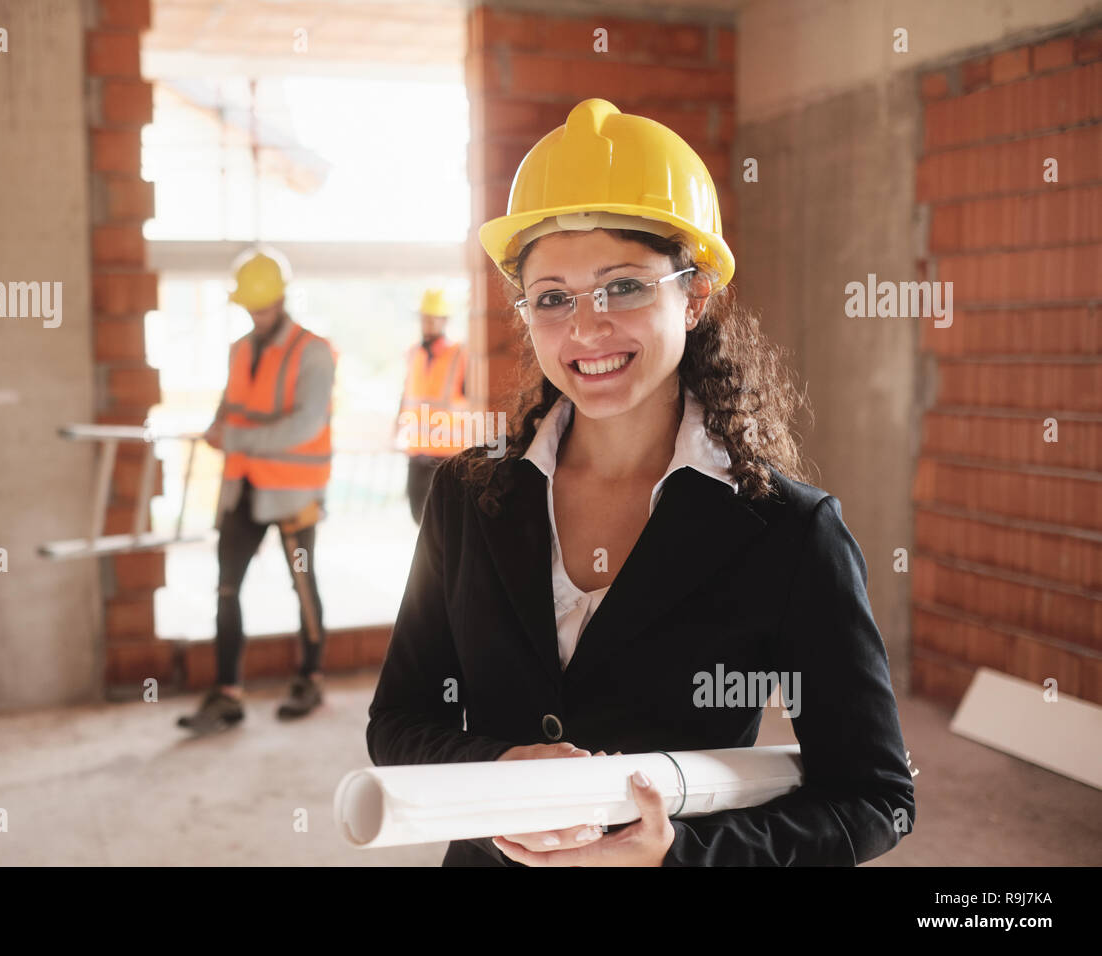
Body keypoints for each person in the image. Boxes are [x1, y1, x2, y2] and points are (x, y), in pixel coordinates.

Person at [366, 99, 915, 866]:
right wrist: (496, 773)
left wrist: (676, 855)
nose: (585, 329)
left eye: (623, 286)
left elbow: (873, 799)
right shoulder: (468, 497)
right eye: (552, 297)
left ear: (693, 295)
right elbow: (398, 719)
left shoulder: (788, 532)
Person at [178, 248, 336, 732]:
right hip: (242, 490)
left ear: (283, 299)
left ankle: (309, 678)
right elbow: (233, 405)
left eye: (262, 305)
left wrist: (238, 436)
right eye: (249, 305)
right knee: (227, 589)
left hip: (293, 495)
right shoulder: (240, 350)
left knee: (302, 586)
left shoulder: (312, 351)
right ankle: (227, 693)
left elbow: (306, 424)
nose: (255, 313)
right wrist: (216, 425)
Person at [396, 288, 470, 523]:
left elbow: (472, 402)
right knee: (419, 519)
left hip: (447, 456)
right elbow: (406, 395)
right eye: (423, 318)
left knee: (443, 524)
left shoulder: (460, 354)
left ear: (445, 320)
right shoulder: (412, 353)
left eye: (432, 318)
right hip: (416, 453)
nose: (426, 323)